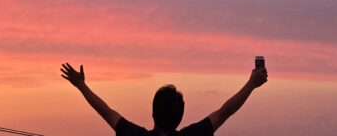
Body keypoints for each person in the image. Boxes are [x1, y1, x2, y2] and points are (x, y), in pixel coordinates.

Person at [60, 62, 268, 135]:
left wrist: (81, 85)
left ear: (153, 112)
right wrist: (251, 84)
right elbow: (224, 112)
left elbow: (106, 111)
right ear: (180, 116)